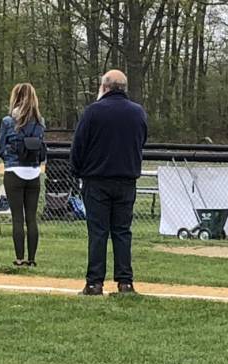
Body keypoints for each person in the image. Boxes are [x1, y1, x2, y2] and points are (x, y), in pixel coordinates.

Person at [70, 70, 147, 296]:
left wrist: (77, 171)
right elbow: (142, 139)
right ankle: (125, 282)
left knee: (98, 232)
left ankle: (95, 282)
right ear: (124, 88)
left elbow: (79, 145)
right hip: (126, 180)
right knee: (122, 231)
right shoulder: (137, 112)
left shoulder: (93, 112)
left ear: (104, 87)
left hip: (97, 180)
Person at [0, 83, 46, 267]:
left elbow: (1, 148)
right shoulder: (40, 121)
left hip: (13, 171)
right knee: (31, 218)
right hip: (33, 173)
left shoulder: (8, 121)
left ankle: (19, 258)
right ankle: (32, 259)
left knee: (17, 217)